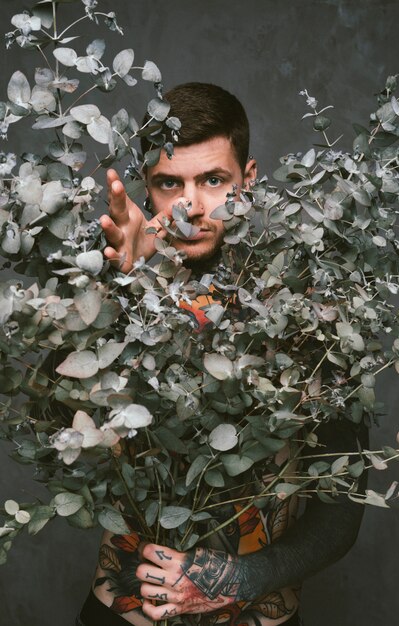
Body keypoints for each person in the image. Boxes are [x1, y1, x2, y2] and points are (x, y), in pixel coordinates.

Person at [76, 83, 367, 626]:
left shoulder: (312, 319)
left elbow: (341, 513)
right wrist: (136, 284)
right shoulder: (109, 297)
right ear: (147, 189)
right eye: (170, 183)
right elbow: (42, 405)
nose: (192, 205)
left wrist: (235, 582)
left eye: (214, 180)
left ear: (248, 181)